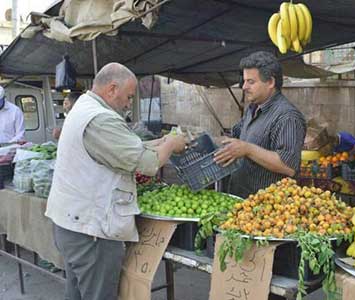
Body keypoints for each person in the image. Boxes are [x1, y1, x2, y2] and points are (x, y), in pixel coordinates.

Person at [45, 63, 186, 300]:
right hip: (92, 234)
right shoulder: (100, 120)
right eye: (129, 96)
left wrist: (162, 140)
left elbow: (127, 148)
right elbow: (148, 165)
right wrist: (171, 144)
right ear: (112, 89)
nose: (129, 103)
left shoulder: (85, 107)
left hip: (73, 225)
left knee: (78, 293)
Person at [214, 51, 306, 198]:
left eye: (251, 82)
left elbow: (288, 166)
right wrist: (195, 140)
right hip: (242, 199)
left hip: (267, 210)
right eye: (244, 81)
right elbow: (234, 137)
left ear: (270, 82)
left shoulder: (287, 116)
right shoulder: (253, 109)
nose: (244, 87)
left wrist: (248, 149)